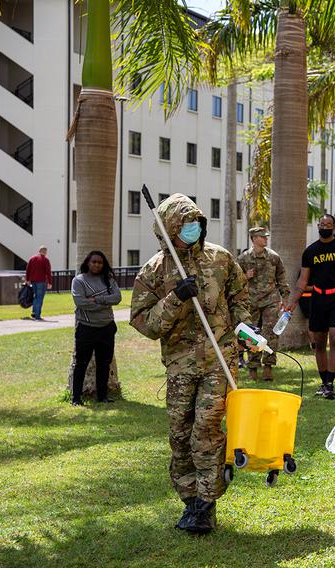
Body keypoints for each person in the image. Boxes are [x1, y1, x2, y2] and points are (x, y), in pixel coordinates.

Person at [130, 194, 252, 535]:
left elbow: (240, 297)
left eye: (196, 222)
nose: (192, 228)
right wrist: (175, 298)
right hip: (180, 365)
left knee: (207, 431)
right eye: (184, 224)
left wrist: (244, 327)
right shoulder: (155, 270)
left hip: (219, 360)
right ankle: (189, 499)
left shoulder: (221, 259)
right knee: (181, 434)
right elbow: (145, 323)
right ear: (169, 228)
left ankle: (205, 505)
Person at [286, 214, 335, 400]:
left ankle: (331, 383)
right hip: (318, 299)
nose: (325, 226)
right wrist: (292, 302)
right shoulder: (310, 251)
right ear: (318, 226)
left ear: (334, 227)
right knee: (319, 343)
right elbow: (302, 281)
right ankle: (324, 382)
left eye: (328, 224)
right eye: (322, 224)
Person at [237, 227, 291, 381]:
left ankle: (268, 367)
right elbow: (233, 281)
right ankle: (252, 368)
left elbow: (281, 278)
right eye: (262, 236)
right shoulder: (243, 258)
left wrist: (285, 298)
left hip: (270, 300)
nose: (265, 238)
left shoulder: (273, 257)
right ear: (253, 238)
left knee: (271, 333)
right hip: (251, 301)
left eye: (266, 236)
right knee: (252, 335)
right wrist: (245, 277)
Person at [70, 250, 122, 406]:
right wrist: (105, 303)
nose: (97, 265)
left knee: (104, 363)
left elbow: (117, 298)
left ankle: (102, 396)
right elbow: (80, 303)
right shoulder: (78, 281)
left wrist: (97, 299)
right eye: (94, 262)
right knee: (81, 364)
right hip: (86, 329)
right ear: (88, 263)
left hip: (107, 328)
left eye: (100, 262)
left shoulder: (109, 280)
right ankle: (76, 398)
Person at [25, 246, 53, 321]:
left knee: (35, 297)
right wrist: (50, 282)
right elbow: (48, 272)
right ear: (45, 252)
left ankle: (34, 312)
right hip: (42, 281)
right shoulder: (45, 260)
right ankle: (37, 315)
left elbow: (28, 269)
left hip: (33, 281)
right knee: (39, 298)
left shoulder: (32, 258)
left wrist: (27, 279)